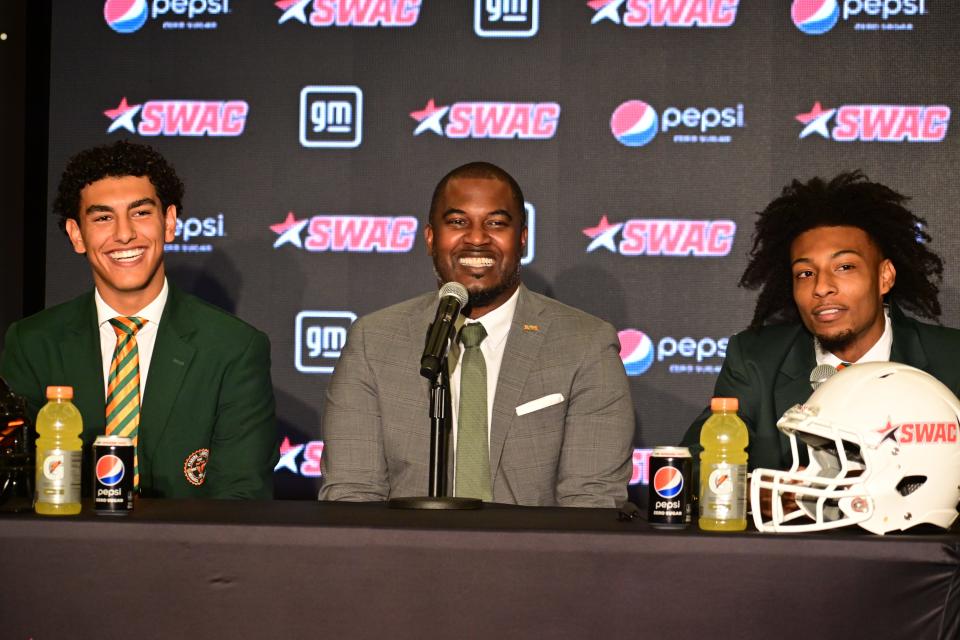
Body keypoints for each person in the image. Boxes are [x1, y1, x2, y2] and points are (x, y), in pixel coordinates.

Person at [320, 162, 634, 506]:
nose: (477, 238)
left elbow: (591, 504)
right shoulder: (374, 341)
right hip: (406, 557)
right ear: (430, 238)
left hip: (533, 557)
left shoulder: (584, 345)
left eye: (496, 223)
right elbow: (352, 494)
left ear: (523, 239)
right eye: (457, 222)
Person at [0, 140, 278, 498]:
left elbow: (241, 500)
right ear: (76, 235)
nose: (124, 233)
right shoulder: (32, 343)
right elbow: (16, 487)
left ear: (170, 222)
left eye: (140, 213)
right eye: (102, 217)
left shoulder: (233, 348)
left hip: (189, 552)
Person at [682, 170, 960, 471]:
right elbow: (697, 460)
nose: (821, 287)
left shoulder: (952, 359)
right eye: (805, 273)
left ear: (884, 277)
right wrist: (756, 492)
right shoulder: (754, 360)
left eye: (844, 267)